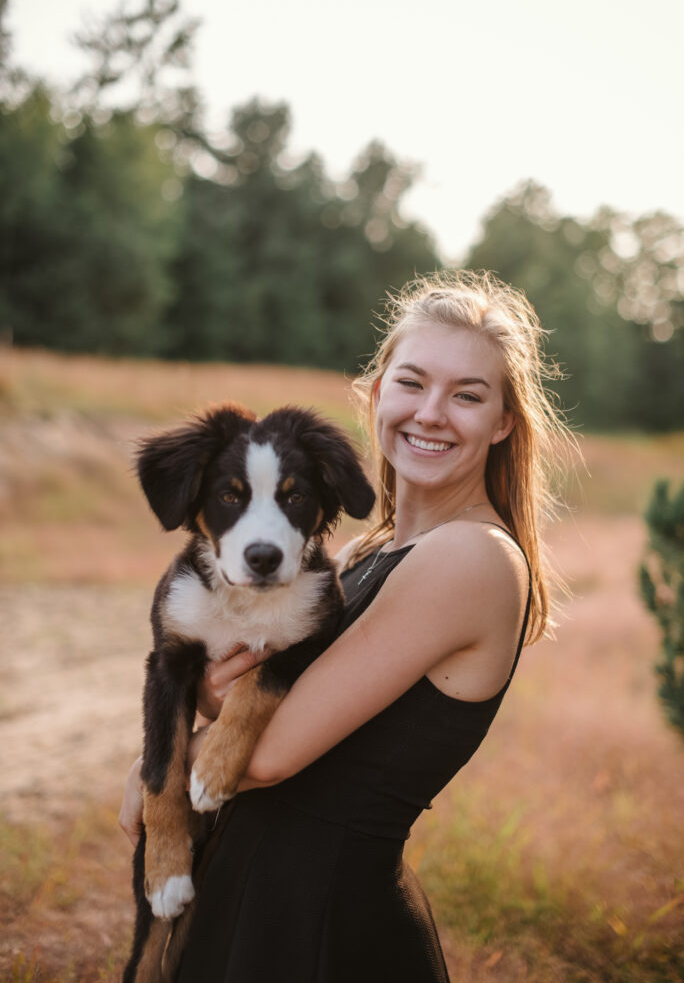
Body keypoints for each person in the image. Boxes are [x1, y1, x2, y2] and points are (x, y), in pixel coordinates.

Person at [119, 269, 571, 982]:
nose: (431, 413)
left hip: (318, 926)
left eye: (468, 396)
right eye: (413, 382)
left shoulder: (470, 559)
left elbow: (267, 755)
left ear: (503, 423)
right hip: (252, 898)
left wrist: (162, 772)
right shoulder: (364, 550)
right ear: (377, 390)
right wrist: (174, 753)